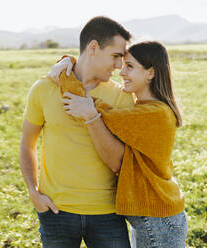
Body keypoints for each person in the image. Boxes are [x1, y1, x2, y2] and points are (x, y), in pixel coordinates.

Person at [50, 41, 188, 248]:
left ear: (151, 73)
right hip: (154, 217)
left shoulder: (152, 114)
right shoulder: (146, 109)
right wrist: (72, 62)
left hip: (158, 221)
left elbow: (86, 104)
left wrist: (67, 68)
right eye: (122, 65)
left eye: (130, 66)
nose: (121, 73)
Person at [19, 16, 134, 247]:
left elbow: (119, 162)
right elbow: (26, 144)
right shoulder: (44, 88)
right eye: (116, 56)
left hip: (108, 213)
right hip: (56, 211)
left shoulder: (122, 98)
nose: (119, 66)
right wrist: (33, 192)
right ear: (93, 47)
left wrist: (92, 116)